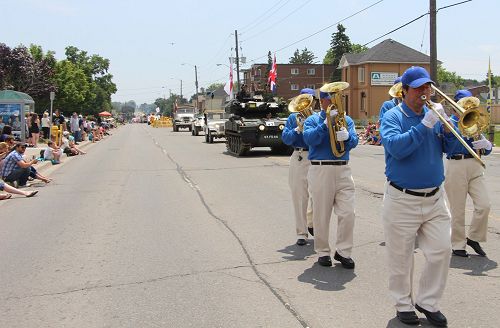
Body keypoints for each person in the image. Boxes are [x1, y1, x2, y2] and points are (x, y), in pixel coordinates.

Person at [380, 66, 454, 326]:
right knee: (400, 257)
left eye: (428, 87)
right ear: (404, 91)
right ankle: (403, 304)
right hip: (402, 199)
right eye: (419, 88)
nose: (425, 92)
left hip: (435, 197)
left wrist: (451, 130)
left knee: (442, 250)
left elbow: (453, 148)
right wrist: (424, 126)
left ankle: (428, 301)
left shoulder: (435, 115)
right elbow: (397, 148)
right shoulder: (392, 116)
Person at [302, 88, 358, 269]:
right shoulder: (312, 120)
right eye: (329, 98)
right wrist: (325, 124)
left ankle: (343, 251)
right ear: (322, 101)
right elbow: (309, 139)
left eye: (336, 98)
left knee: (348, 213)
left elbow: (354, 141)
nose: (333, 101)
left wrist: (348, 137)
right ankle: (323, 251)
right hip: (321, 168)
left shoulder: (346, 120)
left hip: (343, 169)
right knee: (321, 214)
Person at [445, 89, 492, 257]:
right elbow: (447, 147)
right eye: (464, 104)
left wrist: (487, 145)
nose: (467, 107)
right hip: (456, 164)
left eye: (469, 104)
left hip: (475, 166)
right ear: (455, 106)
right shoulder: (448, 122)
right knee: (458, 209)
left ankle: (473, 237)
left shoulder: (474, 120)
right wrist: (451, 130)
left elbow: (486, 150)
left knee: (484, 205)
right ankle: (458, 244)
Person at [282, 88, 315, 246]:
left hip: (316, 157)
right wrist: (297, 129)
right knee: (299, 196)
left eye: (309, 100)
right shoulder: (292, 117)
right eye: (302, 100)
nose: (305, 104)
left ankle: (312, 222)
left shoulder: (317, 117)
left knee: (319, 196)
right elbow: (286, 139)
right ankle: (302, 233)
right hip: (299, 156)